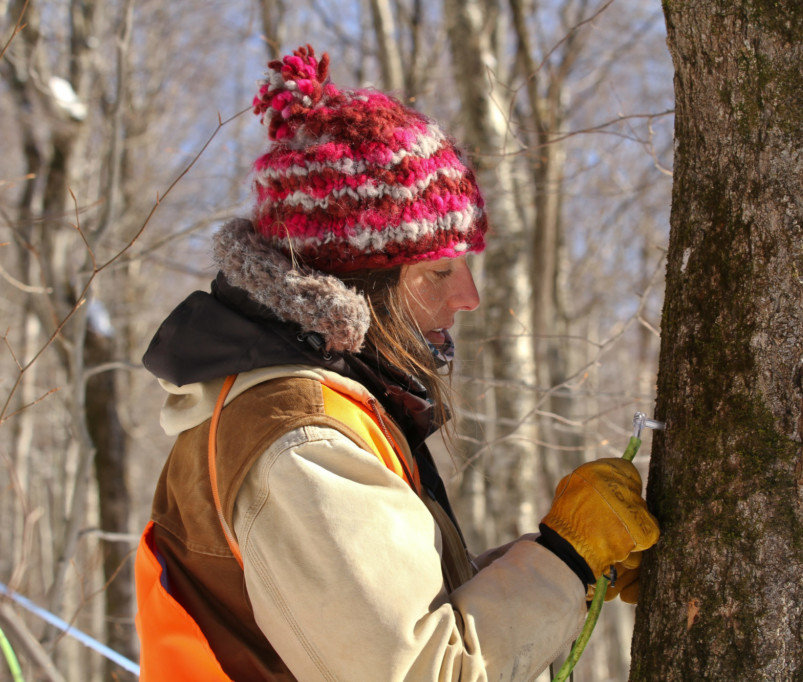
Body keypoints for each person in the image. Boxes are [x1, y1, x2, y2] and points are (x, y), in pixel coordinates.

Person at [134, 44, 659, 681]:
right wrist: (567, 559)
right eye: (439, 271)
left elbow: (395, 621)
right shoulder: (300, 444)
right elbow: (422, 670)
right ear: (357, 282)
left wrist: (562, 564)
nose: (467, 297)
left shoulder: (305, 409)